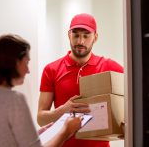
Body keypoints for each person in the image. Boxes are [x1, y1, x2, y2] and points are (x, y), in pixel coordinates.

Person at [37, 13, 124, 147]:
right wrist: (62, 110)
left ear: (95, 37)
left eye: (86, 35)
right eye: (76, 35)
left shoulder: (110, 67)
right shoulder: (51, 69)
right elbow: (41, 118)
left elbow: (133, 102)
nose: (80, 41)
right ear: (69, 35)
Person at [0, 34, 82, 147]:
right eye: (26, 62)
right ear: (15, 62)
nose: (28, 70)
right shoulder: (15, 100)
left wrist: (35, 136)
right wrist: (66, 131)